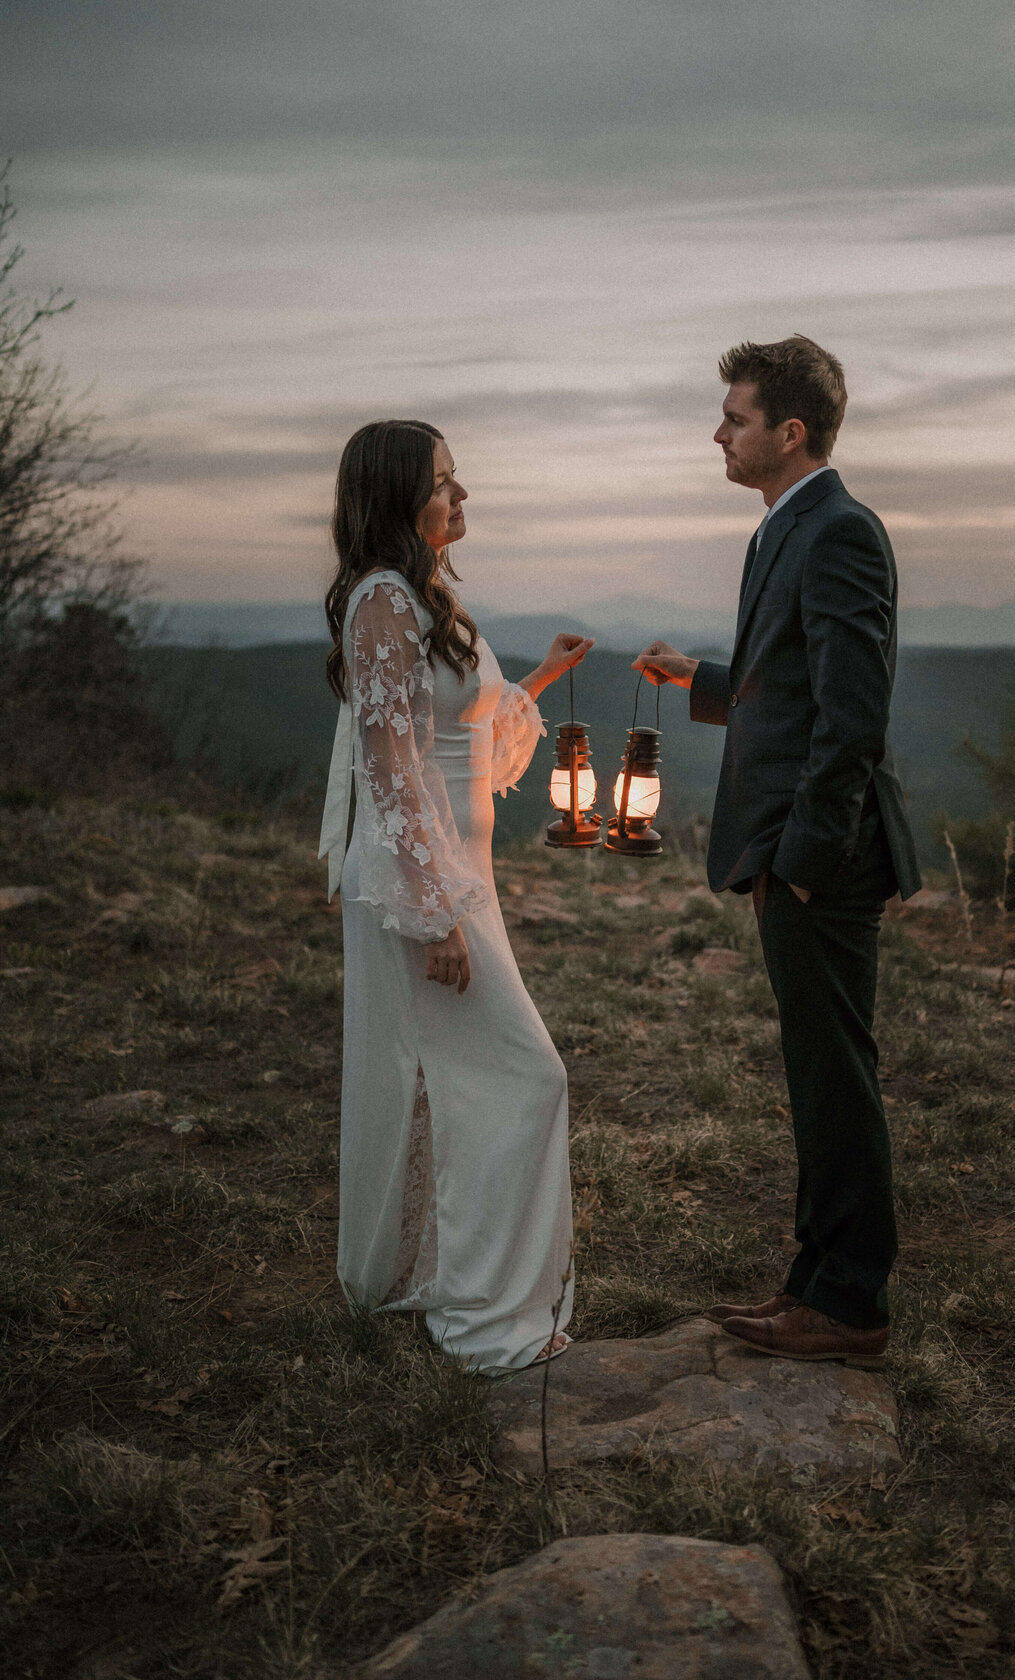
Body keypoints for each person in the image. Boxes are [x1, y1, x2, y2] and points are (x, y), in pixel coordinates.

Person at [635, 336, 921, 1368]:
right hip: (793, 849)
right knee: (815, 1070)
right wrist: (698, 681)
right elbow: (790, 681)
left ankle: (848, 1302)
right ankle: (816, 1281)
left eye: (736, 416)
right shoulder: (782, 531)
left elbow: (852, 717)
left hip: (822, 856)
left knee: (836, 1074)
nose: (719, 432)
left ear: (789, 432)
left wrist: (798, 859)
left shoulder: (839, 530)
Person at [319, 419, 593, 1374]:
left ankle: (457, 1285)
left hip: (457, 878)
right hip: (422, 887)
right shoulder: (384, 601)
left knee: (456, 1082)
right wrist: (434, 908)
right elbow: (390, 764)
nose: (462, 495)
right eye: (444, 482)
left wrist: (547, 677)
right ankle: (484, 1319)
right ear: (400, 497)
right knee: (524, 1077)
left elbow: (466, 732)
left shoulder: (424, 595)